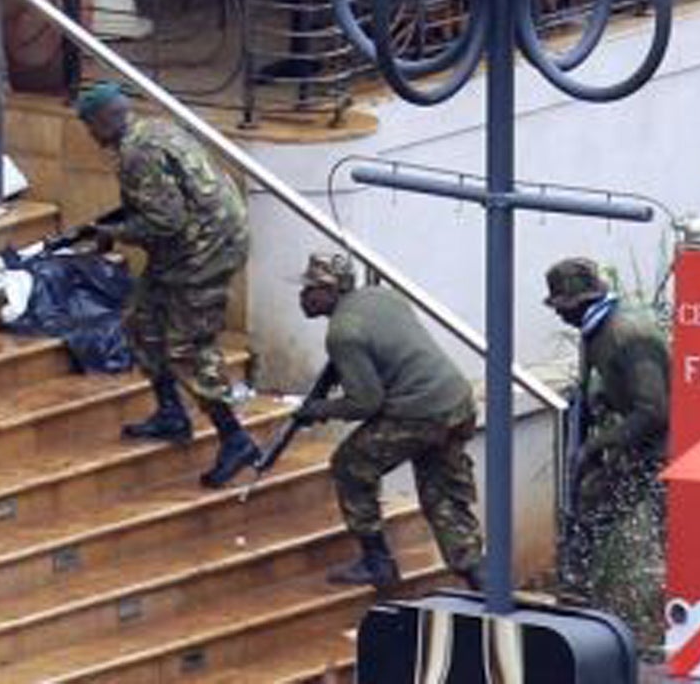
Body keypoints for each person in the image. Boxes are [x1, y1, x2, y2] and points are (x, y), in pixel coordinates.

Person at [74, 82, 260, 489]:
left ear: (103, 121)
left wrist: (117, 232)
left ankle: (235, 437)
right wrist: (105, 227)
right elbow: (158, 203)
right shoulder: (155, 130)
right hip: (197, 241)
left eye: (89, 124)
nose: (90, 135)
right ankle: (171, 412)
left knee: (186, 347)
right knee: (141, 320)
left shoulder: (136, 154)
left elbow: (164, 222)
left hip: (203, 250)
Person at [294, 251, 485, 590]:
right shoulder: (380, 297)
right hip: (456, 402)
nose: (303, 296)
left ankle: (376, 560)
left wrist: (318, 410)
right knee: (443, 494)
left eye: (310, 288)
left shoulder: (342, 332)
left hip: (418, 413)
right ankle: (479, 576)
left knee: (351, 465)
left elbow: (366, 402)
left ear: (330, 290)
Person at [544, 255, 669, 598]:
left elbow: (654, 410)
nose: (558, 313)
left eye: (562, 306)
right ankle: (575, 591)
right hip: (643, 442)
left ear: (581, 303)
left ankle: (674, 604)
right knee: (592, 504)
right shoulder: (594, 330)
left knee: (673, 534)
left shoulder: (628, 335)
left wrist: (597, 446)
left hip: (670, 449)